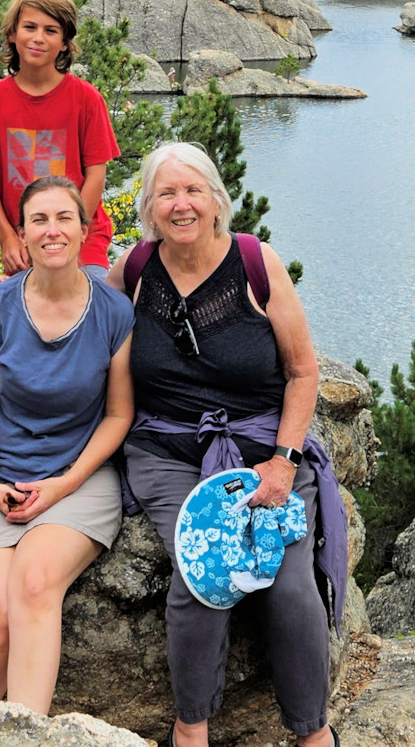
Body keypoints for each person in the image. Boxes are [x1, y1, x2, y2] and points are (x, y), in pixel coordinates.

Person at [110, 142, 342, 747]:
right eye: (167, 193)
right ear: (149, 208)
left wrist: (285, 462)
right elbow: (76, 315)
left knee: (288, 587)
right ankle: (192, 728)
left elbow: (303, 373)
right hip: (168, 450)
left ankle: (312, 733)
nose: (181, 204)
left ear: (217, 201)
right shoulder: (134, 272)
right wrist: (4, 297)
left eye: (193, 191)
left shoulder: (255, 264)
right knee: (205, 573)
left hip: (265, 445)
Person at [0, 176, 133, 715]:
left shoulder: (114, 311)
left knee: (34, 583)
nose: (52, 230)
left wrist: (63, 484)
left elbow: (119, 413)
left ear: (84, 230)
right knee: (5, 609)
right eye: (39, 220)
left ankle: (27, 729)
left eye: (64, 218)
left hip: (79, 477)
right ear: (23, 235)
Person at [0, 0, 119, 280]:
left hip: (82, 242)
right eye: (29, 27)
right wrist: (8, 237)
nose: (38, 38)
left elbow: (96, 174)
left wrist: (73, 232)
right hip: (25, 242)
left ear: (64, 43)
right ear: (12, 34)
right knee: (15, 317)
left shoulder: (86, 99)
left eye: (51, 30)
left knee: (88, 310)